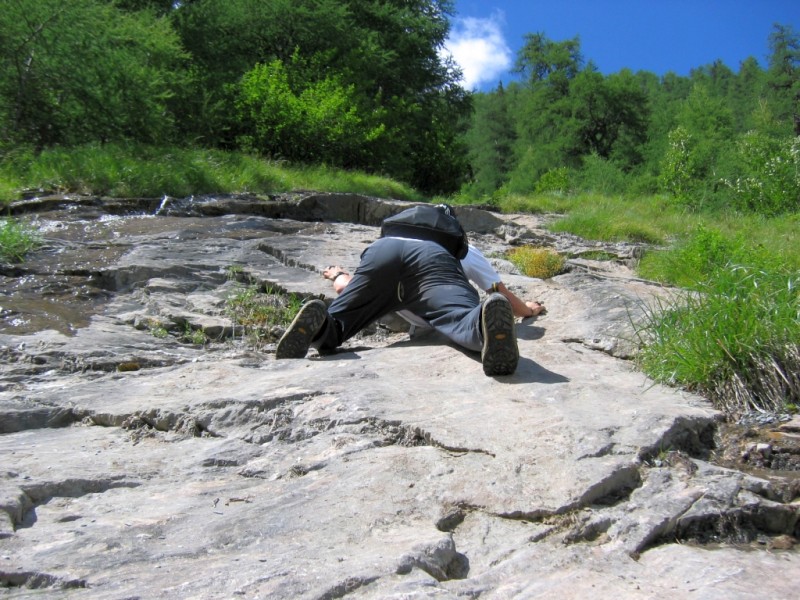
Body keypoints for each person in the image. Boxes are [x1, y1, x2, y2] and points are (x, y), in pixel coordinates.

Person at [275, 233, 520, 376]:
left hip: (382, 250)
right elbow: (498, 289)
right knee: (460, 317)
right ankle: (481, 324)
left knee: (338, 324)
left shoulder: (398, 236)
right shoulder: (457, 247)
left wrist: (338, 276)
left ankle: (320, 328)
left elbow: (345, 288)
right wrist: (529, 309)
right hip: (435, 262)